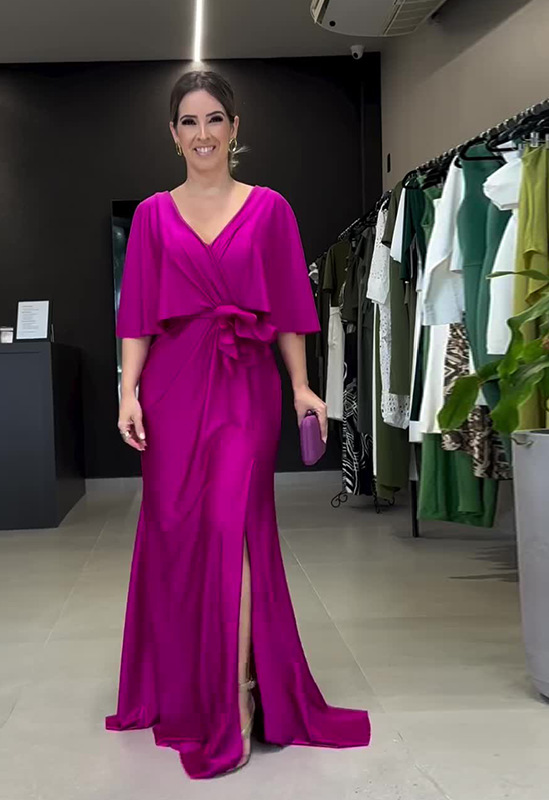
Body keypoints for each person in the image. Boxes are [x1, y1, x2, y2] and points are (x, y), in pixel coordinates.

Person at [106, 69, 371, 779]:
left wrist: (302, 386)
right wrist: (129, 392)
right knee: (176, 532)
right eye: (189, 122)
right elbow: (137, 315)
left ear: (235, 127)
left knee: (233, 528)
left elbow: (289, 309)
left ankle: (238, 697)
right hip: (172, 386)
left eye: (215, 119)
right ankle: (189, 682)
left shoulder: (270, 209)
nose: (203, 135)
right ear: (173, 134)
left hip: (245, 386)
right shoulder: (153, 216)